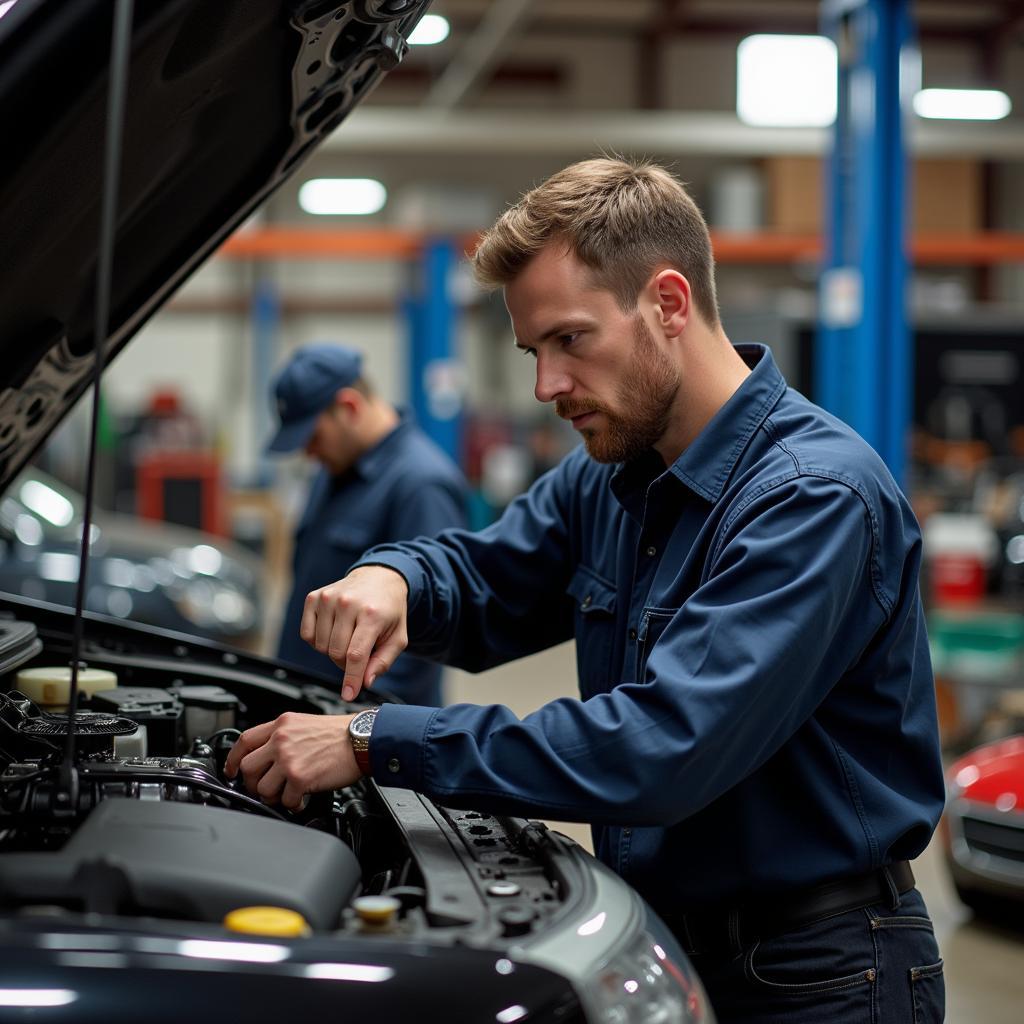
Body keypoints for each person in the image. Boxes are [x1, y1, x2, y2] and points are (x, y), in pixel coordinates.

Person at [228, 160, 946, 1023]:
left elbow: (660, 744)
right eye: (535, 351)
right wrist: (397, 577)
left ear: (669, 304)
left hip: (819, 975)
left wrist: (376, 738)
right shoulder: (607, 481)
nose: (546, 387)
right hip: (671, 938)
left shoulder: (811, 498)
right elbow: (488, 578)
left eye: (571, 340)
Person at [266, 343, 467, 706]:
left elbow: (419, 646)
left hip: (360, 733)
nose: (308, 453)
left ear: (349, 407)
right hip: (308, 708)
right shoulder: (334, 468)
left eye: (312, 437)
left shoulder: (421, 484)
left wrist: (359, 735)